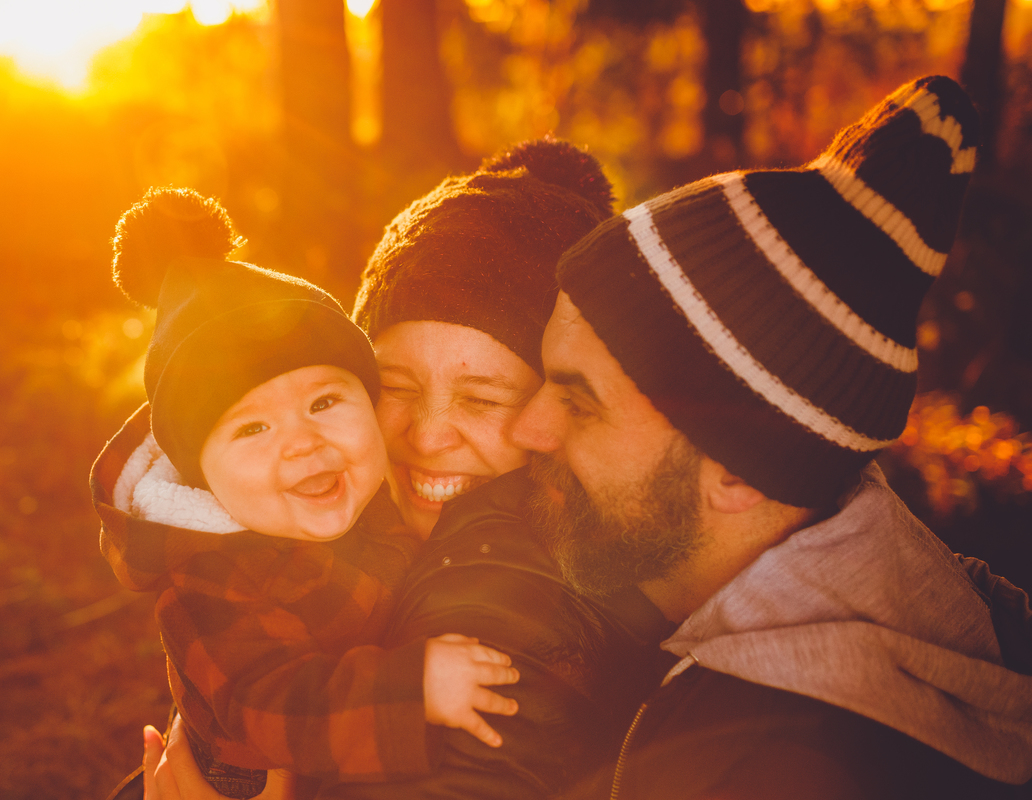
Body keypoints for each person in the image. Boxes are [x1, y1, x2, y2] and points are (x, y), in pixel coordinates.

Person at [510, 75, 1032, 798]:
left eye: (580, 403)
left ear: (738, 474)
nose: (522, 427)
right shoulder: (964, 618)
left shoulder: (743, 762)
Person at [140, 139, 676, 799]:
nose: (425, 437)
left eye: (482, 399)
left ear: (557, 406)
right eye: (396, 387)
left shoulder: (526, 595)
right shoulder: (286, 529)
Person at [92, 188, 522, 799]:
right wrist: (411, 687)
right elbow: (266, 705)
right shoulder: (213, 577)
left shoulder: (371, 501)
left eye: (324, 403)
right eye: (252, 428)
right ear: (201, 475)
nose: (301, 443)